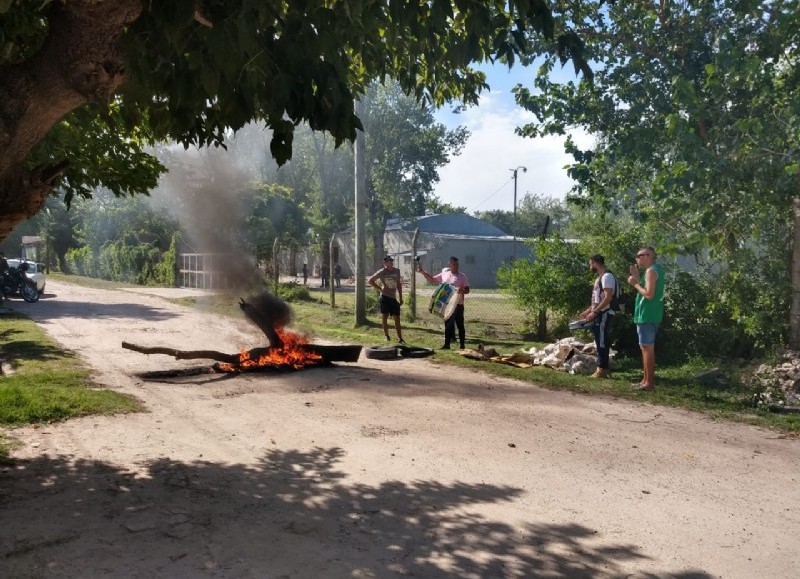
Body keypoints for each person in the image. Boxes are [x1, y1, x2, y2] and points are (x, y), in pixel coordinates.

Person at [627, 246, 665, 391]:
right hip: (650, 314)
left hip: (647, 314)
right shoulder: (655, 270)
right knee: (645, 348)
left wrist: (635, 283)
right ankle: (645, 380)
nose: (637, 258)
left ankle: (649, 383)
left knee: (647, 348)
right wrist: (637, 279)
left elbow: (649, 294)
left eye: (639, 255)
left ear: (647, 256)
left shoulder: (650, 271)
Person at [418, 256, 470, 350]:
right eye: (454, 264)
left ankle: (462, 345)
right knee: (448, 324)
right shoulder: (444, 274)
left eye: (457, 264)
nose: (456, 266)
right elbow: (432, 279)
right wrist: (423, 272)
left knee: (460, 325)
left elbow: (467, 290)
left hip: (458, 305)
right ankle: (447, 345)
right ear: (449, 265)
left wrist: (461, 290)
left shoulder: (462, 276)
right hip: (447, 305)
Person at [578, 254, 616, 378]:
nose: (590, 266)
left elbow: (607, 297)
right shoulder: (599, 278)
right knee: (600, 341)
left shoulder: (607, 277)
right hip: (598, 313)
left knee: (602, 342)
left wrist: (595, 312)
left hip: (603, 314)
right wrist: (588, 311)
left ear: (595, 263)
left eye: (590, 263)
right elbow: (597, 299)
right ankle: (603, 368)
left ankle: (602, 369)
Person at [368, 255, 405, 343]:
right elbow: (370, 280)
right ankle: (387, 336)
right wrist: (379, 288)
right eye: (389, 261)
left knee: (397, 318)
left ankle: (400, 338)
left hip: (393, 297)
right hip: (384, 296)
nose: (391, 262)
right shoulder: (382, 272)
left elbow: (399, 284)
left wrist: (400, 297)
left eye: (391, 260)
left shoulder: (397, 271)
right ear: (385, 263)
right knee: (384, 316)